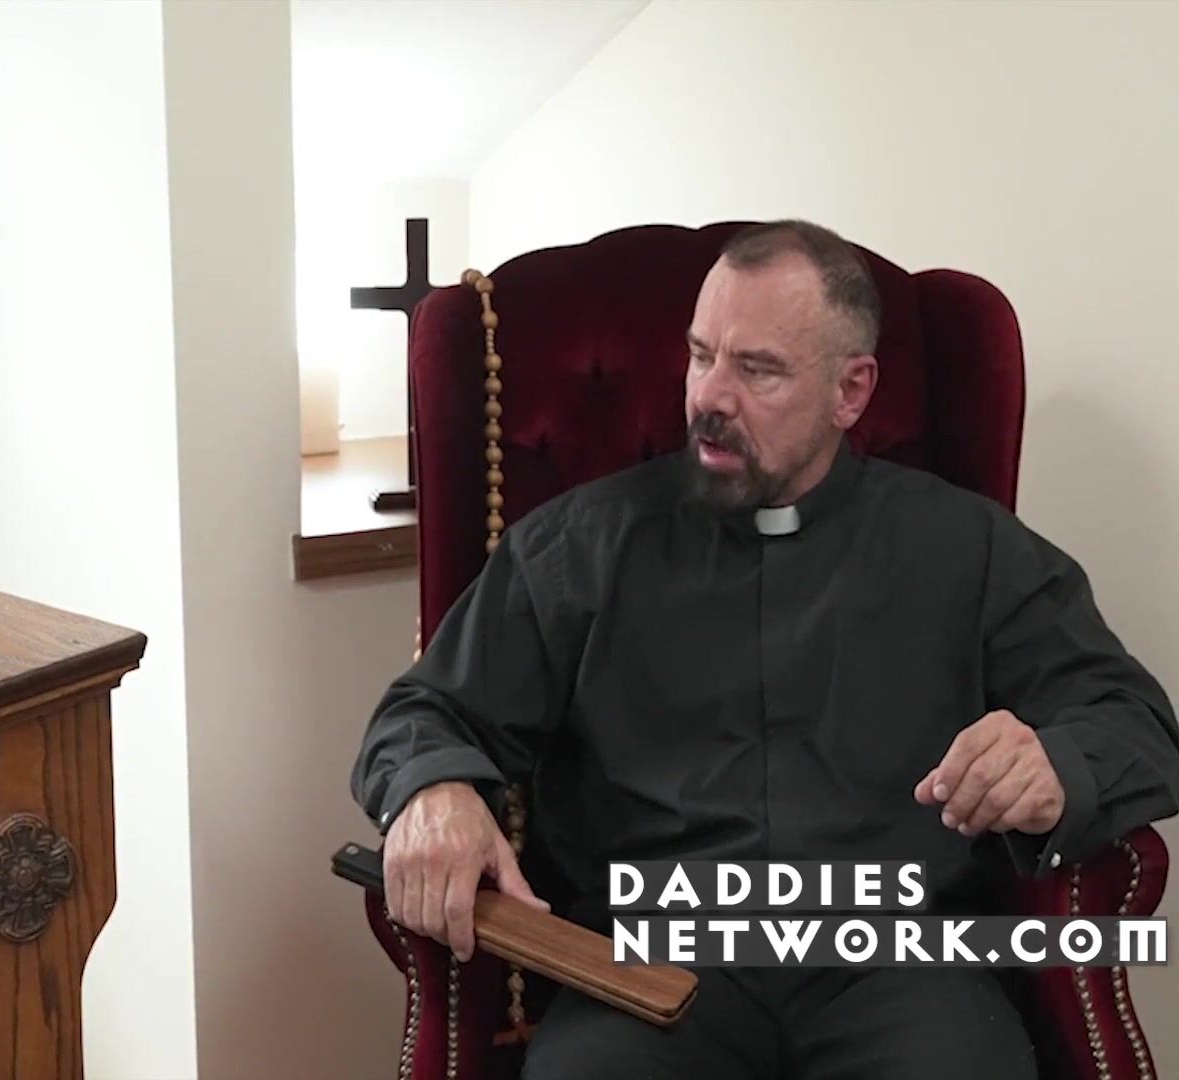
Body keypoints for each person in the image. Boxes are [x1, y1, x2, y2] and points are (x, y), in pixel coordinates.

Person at [349, 219, 1179, 1080]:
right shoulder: (579, 548)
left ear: (851, 391)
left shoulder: (969, 549)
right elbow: (425, 712)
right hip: (651, 963)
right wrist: (434, 787)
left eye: (757, 369)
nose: (710, 395)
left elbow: (1137, 721)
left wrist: (1054, 764)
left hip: (900, 965)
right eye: (700, 355)